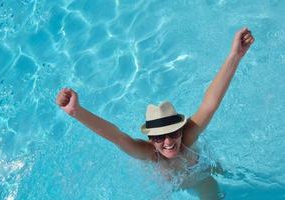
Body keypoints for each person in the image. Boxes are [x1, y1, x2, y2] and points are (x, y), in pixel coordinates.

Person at [56, 28, 254, 199]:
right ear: (151, 139)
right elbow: (115, 136)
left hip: (201, 178)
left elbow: (210, 104)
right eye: (159, 137)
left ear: (180, 130)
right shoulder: (149, 154)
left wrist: (234, 56)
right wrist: (76, 112)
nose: (168, 141)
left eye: (173, 133)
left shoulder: (188, 137)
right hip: (168, 190)